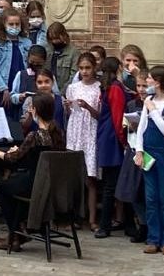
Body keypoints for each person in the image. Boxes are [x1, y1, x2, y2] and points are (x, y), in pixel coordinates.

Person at [0, 93, 67, 251]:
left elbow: (12, 159)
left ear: (34, 111)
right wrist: (21, 150)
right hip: (53, 184)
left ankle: (15, 234)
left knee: (3, 188)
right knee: (15, 185)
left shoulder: (35, 135)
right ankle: (22, 229)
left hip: (36, 184)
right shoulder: (59, 134)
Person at [134, 65, 164, 255]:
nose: (147, 82)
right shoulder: (148, 100)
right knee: (150, 198)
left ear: (159, 82)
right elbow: (141, 128)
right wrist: (138, 150)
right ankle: (153, 238)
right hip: (149, 152)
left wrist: (153, 110)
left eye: (150, 79)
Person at [65, 52, 101, 230]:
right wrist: (68, 107)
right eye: (81, 68)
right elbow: (70, 113)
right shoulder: (73, 87)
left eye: (88, 68)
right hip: (75, 132)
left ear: (94, 68)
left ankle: (92, 218)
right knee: (73, 178)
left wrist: (88, 107)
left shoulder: (99, 87)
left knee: (90, 178)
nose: (84, 71)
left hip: (90, 132)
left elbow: (100, 115)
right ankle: (74, 217)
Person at [94, 56, 127, 238]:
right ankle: (105, 225)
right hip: (113, 140)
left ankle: (107, 224)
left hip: (105, 138)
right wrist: (123, 141)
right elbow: (118, 117)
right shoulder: (115, 89)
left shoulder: (106, 87)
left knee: (108, 184)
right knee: (111, 185)